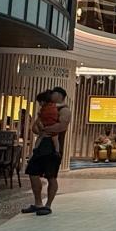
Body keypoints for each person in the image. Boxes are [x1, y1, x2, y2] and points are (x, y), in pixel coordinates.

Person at [23, 87, 70, 215]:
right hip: (41, 146)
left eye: (53, 93)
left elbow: (61, 126)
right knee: (33, 172)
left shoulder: (64, 110)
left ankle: (48, 205)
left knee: (51, 176)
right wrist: (41, 131)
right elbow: (35, 127)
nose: (50, 96)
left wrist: (45, 130)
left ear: (59, 95)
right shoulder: (45, 108)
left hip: (53, 148)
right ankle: (38, 203)